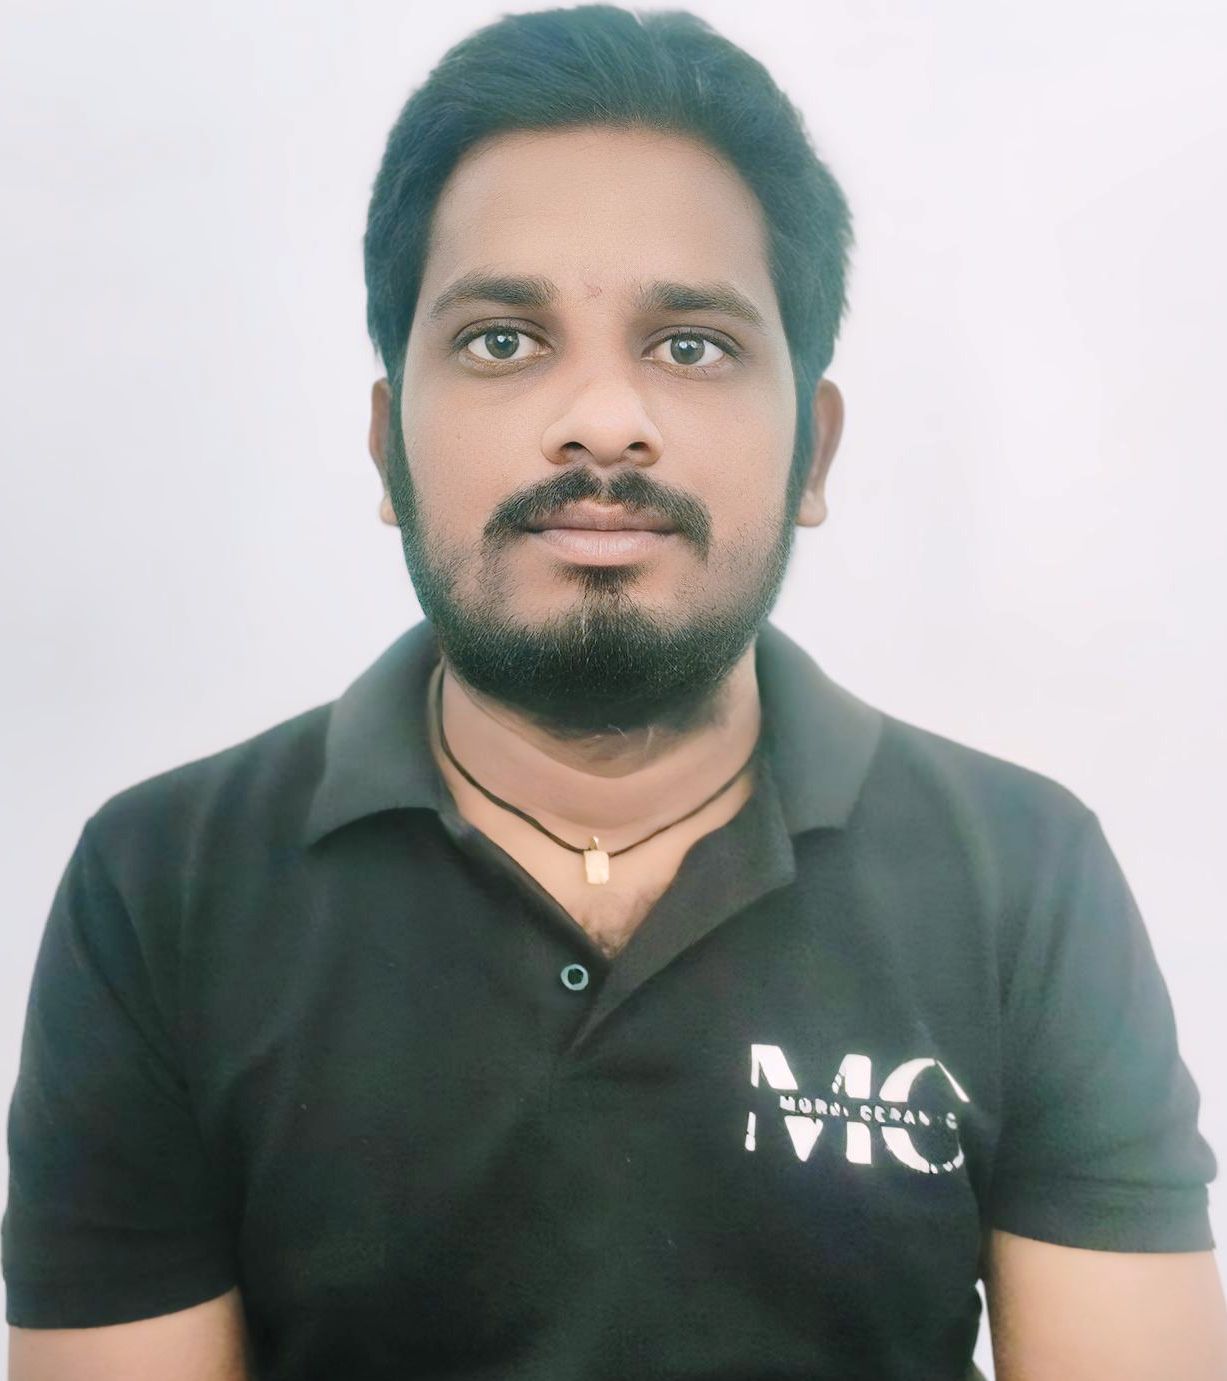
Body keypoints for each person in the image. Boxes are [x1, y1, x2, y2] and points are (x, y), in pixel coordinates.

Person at [4, 5, 1226, 1379]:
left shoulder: (1024, 877)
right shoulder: (162, 885)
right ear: (387, 445)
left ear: (814, 453)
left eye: (690, 345)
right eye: (502, 340)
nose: (601, 418)